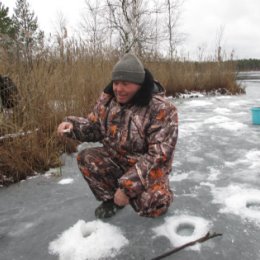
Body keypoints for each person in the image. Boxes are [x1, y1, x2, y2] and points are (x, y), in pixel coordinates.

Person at [57, 53, 178, 218]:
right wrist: (73, 126)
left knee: (154, 203)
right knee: (86, 158)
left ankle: (133, 196)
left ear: (139, 85)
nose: (118, 89)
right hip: (116, 159)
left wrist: (127, 188)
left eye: (125, 84)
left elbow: (159, 157)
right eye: (116, 83)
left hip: (144, 167)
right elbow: (95, 127)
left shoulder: (162, 109)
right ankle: (111, 200)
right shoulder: (108, 99)